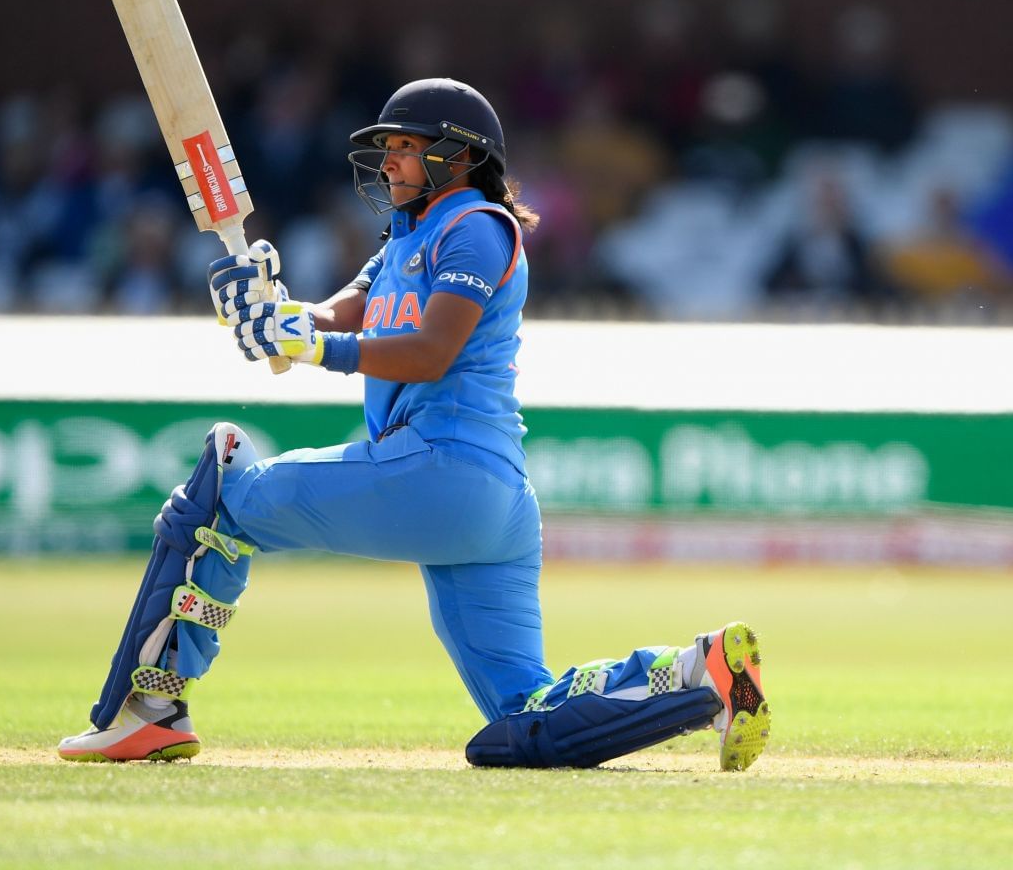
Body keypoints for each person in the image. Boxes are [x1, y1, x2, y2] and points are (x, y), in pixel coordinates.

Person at [57, 78, 771, 771]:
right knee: (521, 721)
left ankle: (149, 710)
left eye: (407, 146)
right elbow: (338, 314)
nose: (389, 162)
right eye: (388, 147)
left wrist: (312, 346)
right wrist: (273, 314)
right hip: (487, 501)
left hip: (444, 469)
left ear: (461, 156)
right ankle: (698, 673)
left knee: (224, 493)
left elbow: (431, 352)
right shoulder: (404, 238)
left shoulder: (476, 227)